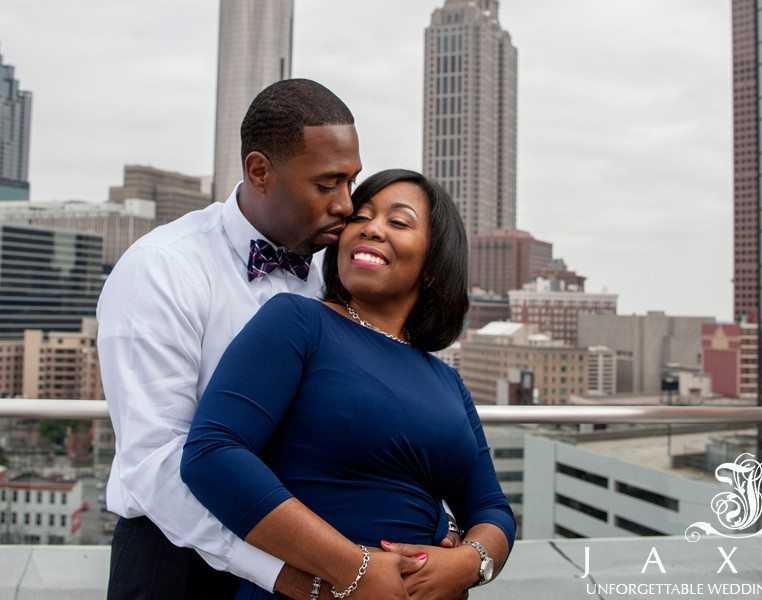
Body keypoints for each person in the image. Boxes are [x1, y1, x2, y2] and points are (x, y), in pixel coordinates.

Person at [98, 80, 457, 600]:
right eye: (327, 184)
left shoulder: (338, 274)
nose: (346, 205)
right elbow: (158, 465)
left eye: (351, 182)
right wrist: (299, 576)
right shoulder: (162, 269)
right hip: (181, 563)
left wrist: (431, 517)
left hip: (326, 554)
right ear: (259, 171)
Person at [181, 169, 515, 599]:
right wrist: (353, 570)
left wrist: (468, 562)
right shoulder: (297, 321)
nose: (372, 228)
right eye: (361, 217)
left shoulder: (447, 380)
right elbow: (212, 454)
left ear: (435, 260)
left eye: (398, 222)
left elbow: (491, 508)